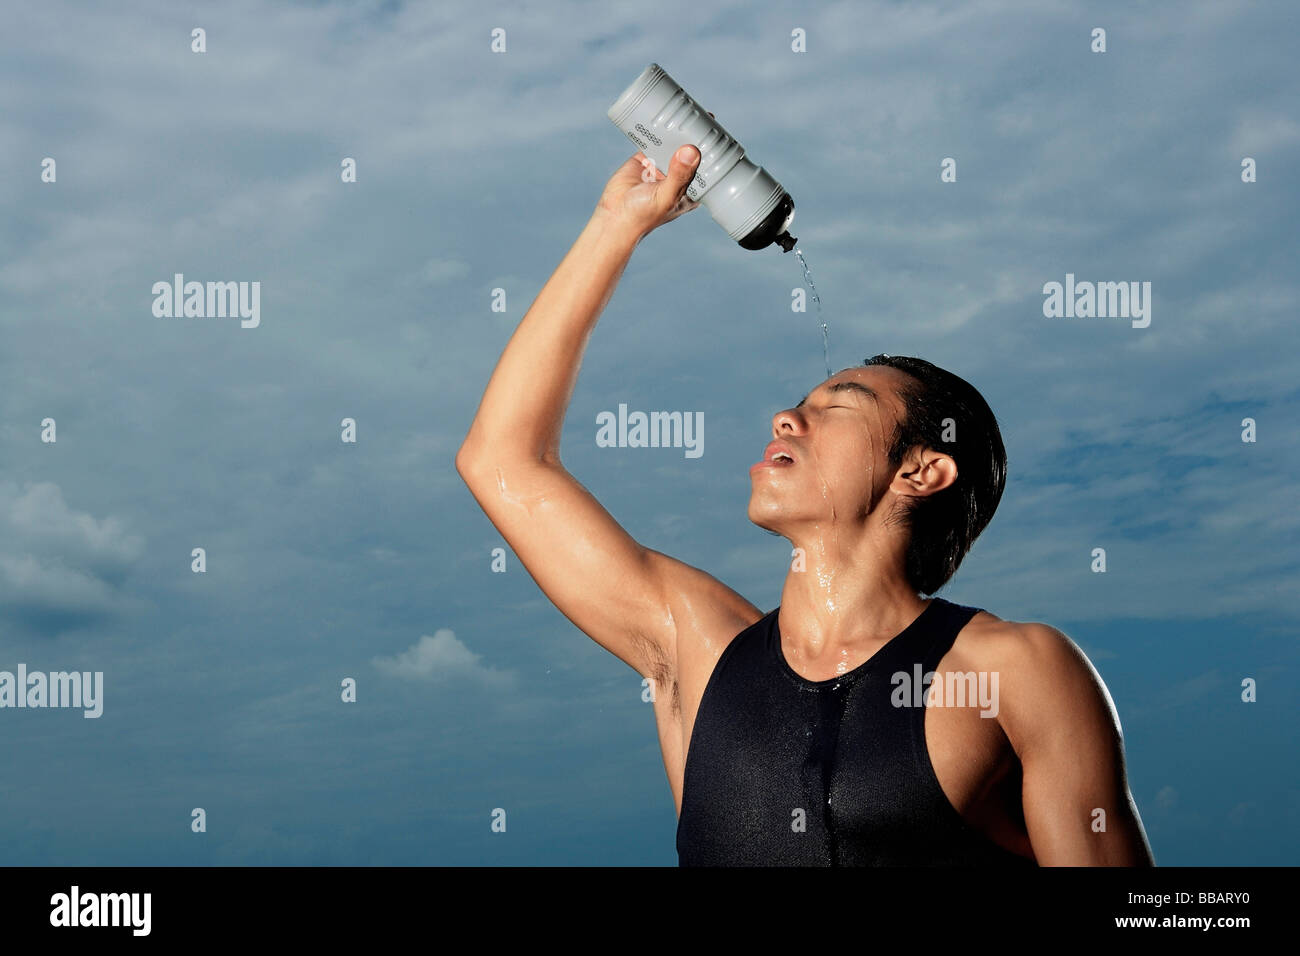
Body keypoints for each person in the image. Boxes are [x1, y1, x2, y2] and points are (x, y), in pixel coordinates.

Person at [456, 143, 1154, 866]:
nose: (786, 420)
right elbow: (503, 459)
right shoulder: (697, 650)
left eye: (838, 404)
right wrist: (615, 224)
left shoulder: (1015, 670)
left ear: (922, 469)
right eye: (795, 406)